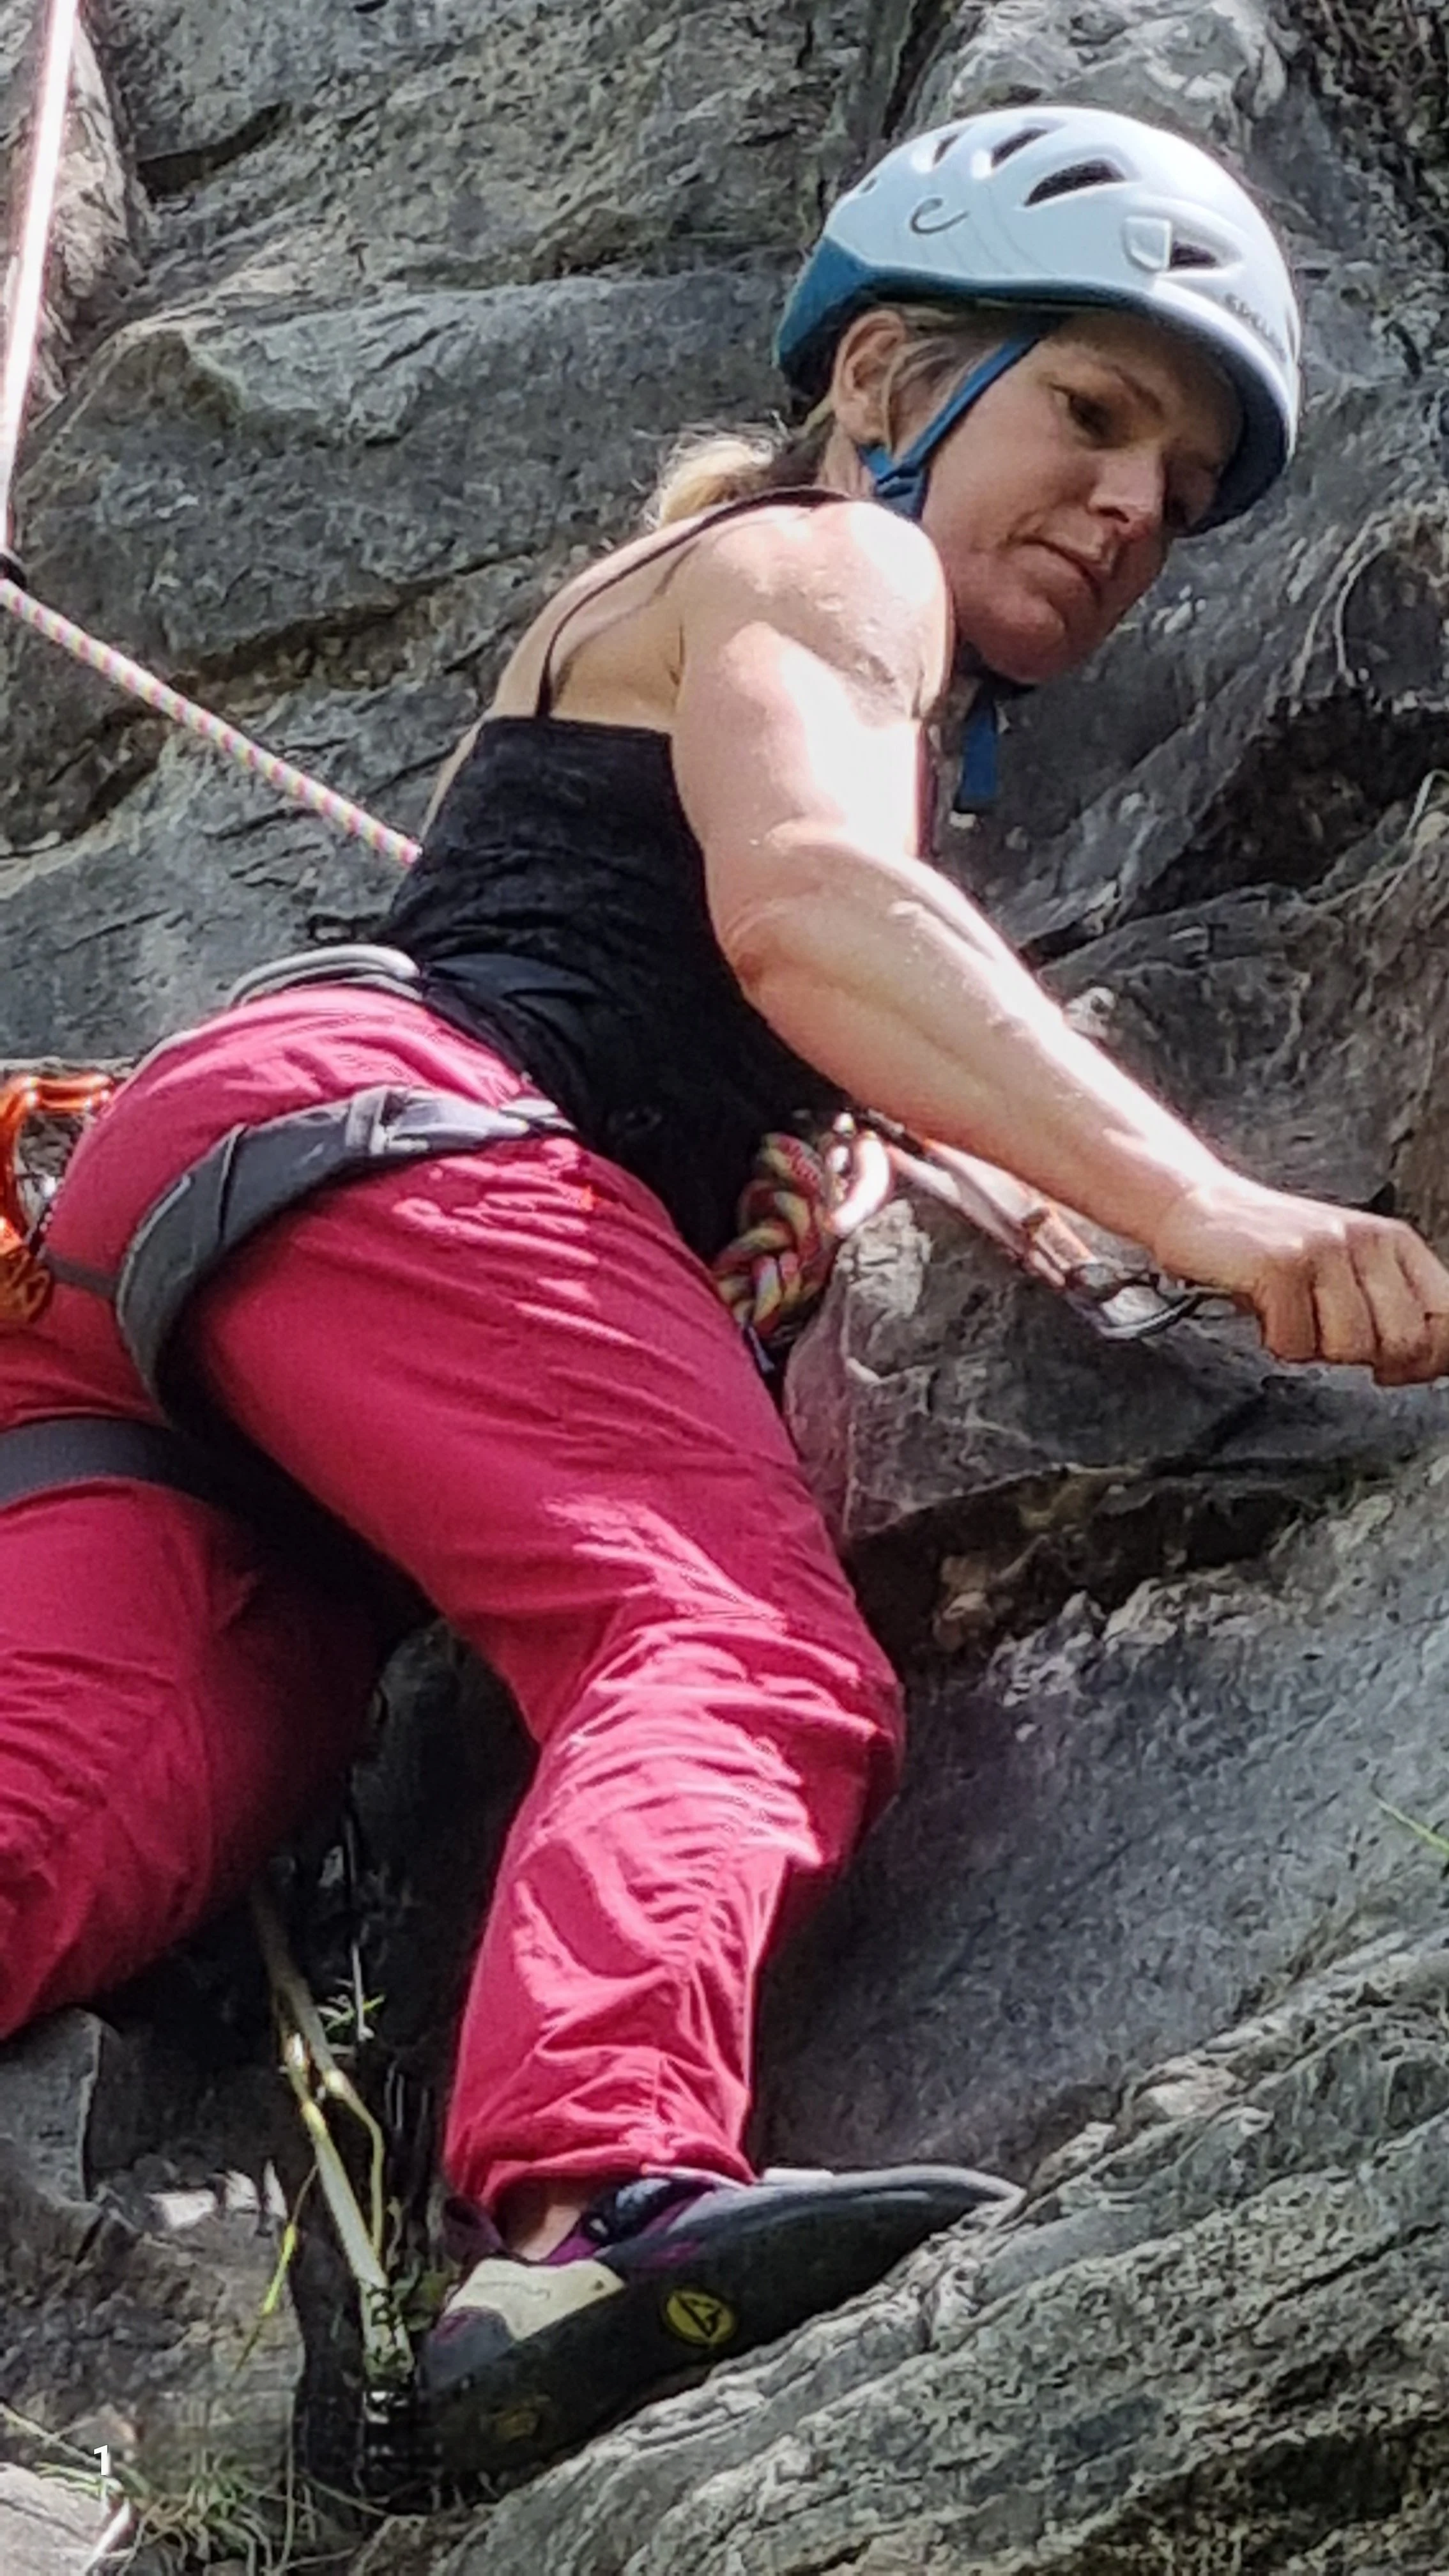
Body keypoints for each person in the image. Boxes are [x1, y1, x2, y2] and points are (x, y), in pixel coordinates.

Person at [2, 100, 1447, 2480]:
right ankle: (585, 2211)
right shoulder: (823, 568)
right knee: (736, 1647)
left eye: (1176, 496)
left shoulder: (729, 617)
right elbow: (814, 910)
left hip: (217, 1298)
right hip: (411, 1147)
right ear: (886, 377)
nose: (1127, 509)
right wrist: (1222, 1212)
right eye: (1091, 412)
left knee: (63, 1825)